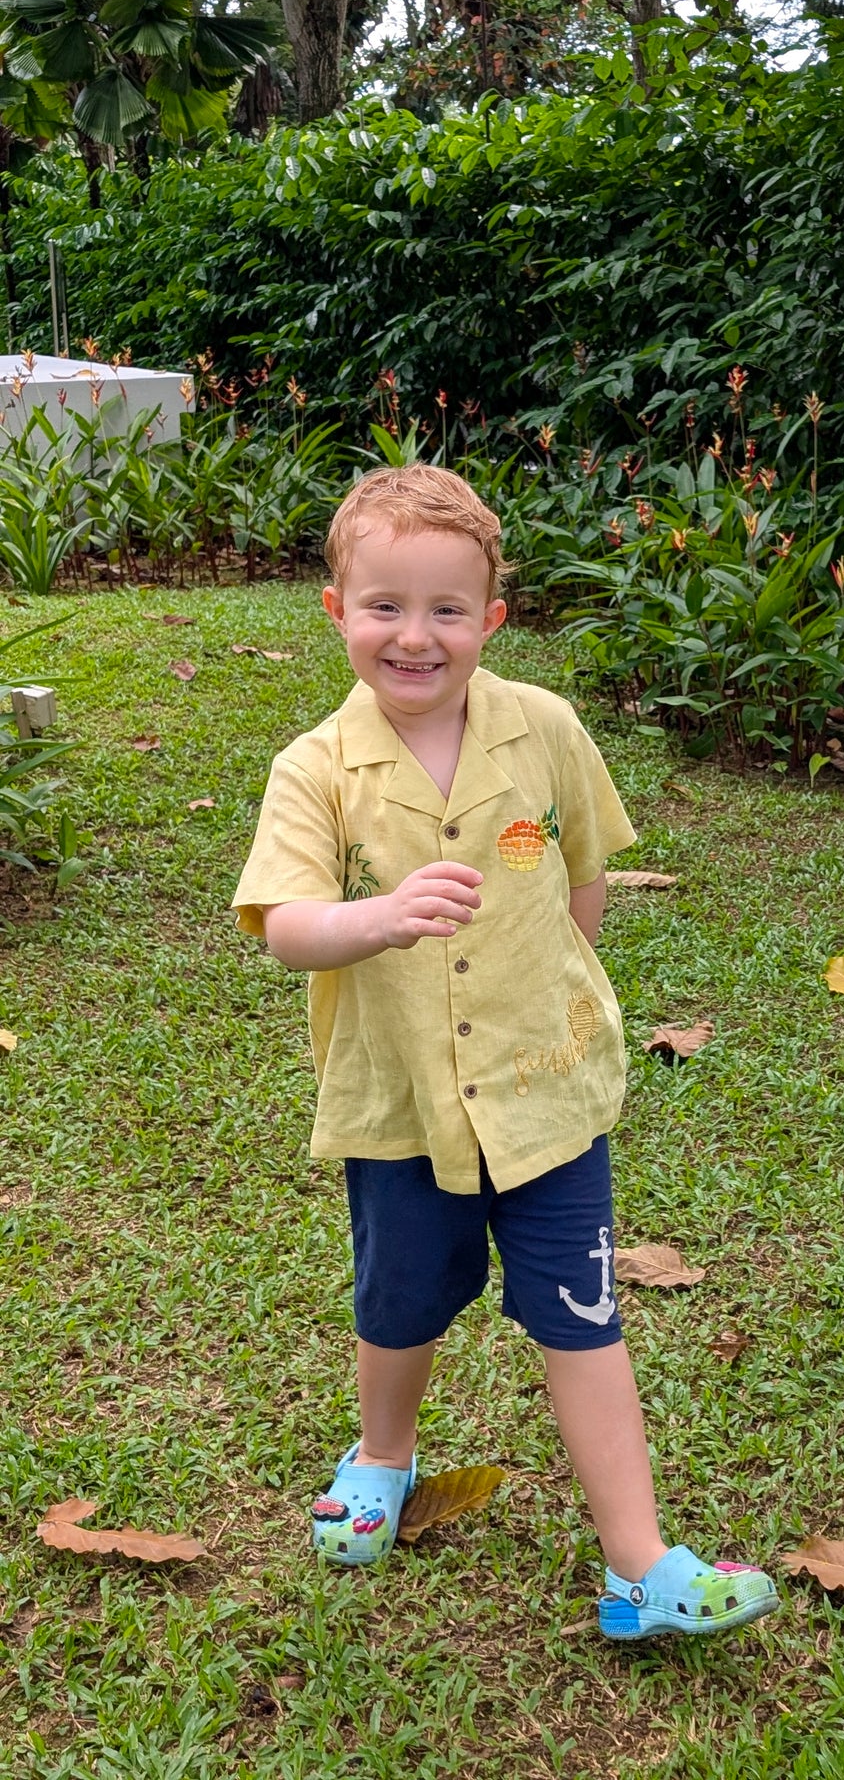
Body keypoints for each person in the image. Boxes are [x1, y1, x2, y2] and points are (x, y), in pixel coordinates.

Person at [231, 464, 778, 1640]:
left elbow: (582, 869)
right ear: (336, 610)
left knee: (582, 1310)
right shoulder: (315, 765)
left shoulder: (546, 728)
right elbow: (283, 926)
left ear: (492, 618)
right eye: (383, 605)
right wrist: (370, 917)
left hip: (545, 1099)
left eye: (445, 610)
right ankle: (383, 1452)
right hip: (402, 1107)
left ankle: (639, 1564)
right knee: (400, 1304)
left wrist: (564, 991)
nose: (412, 636)